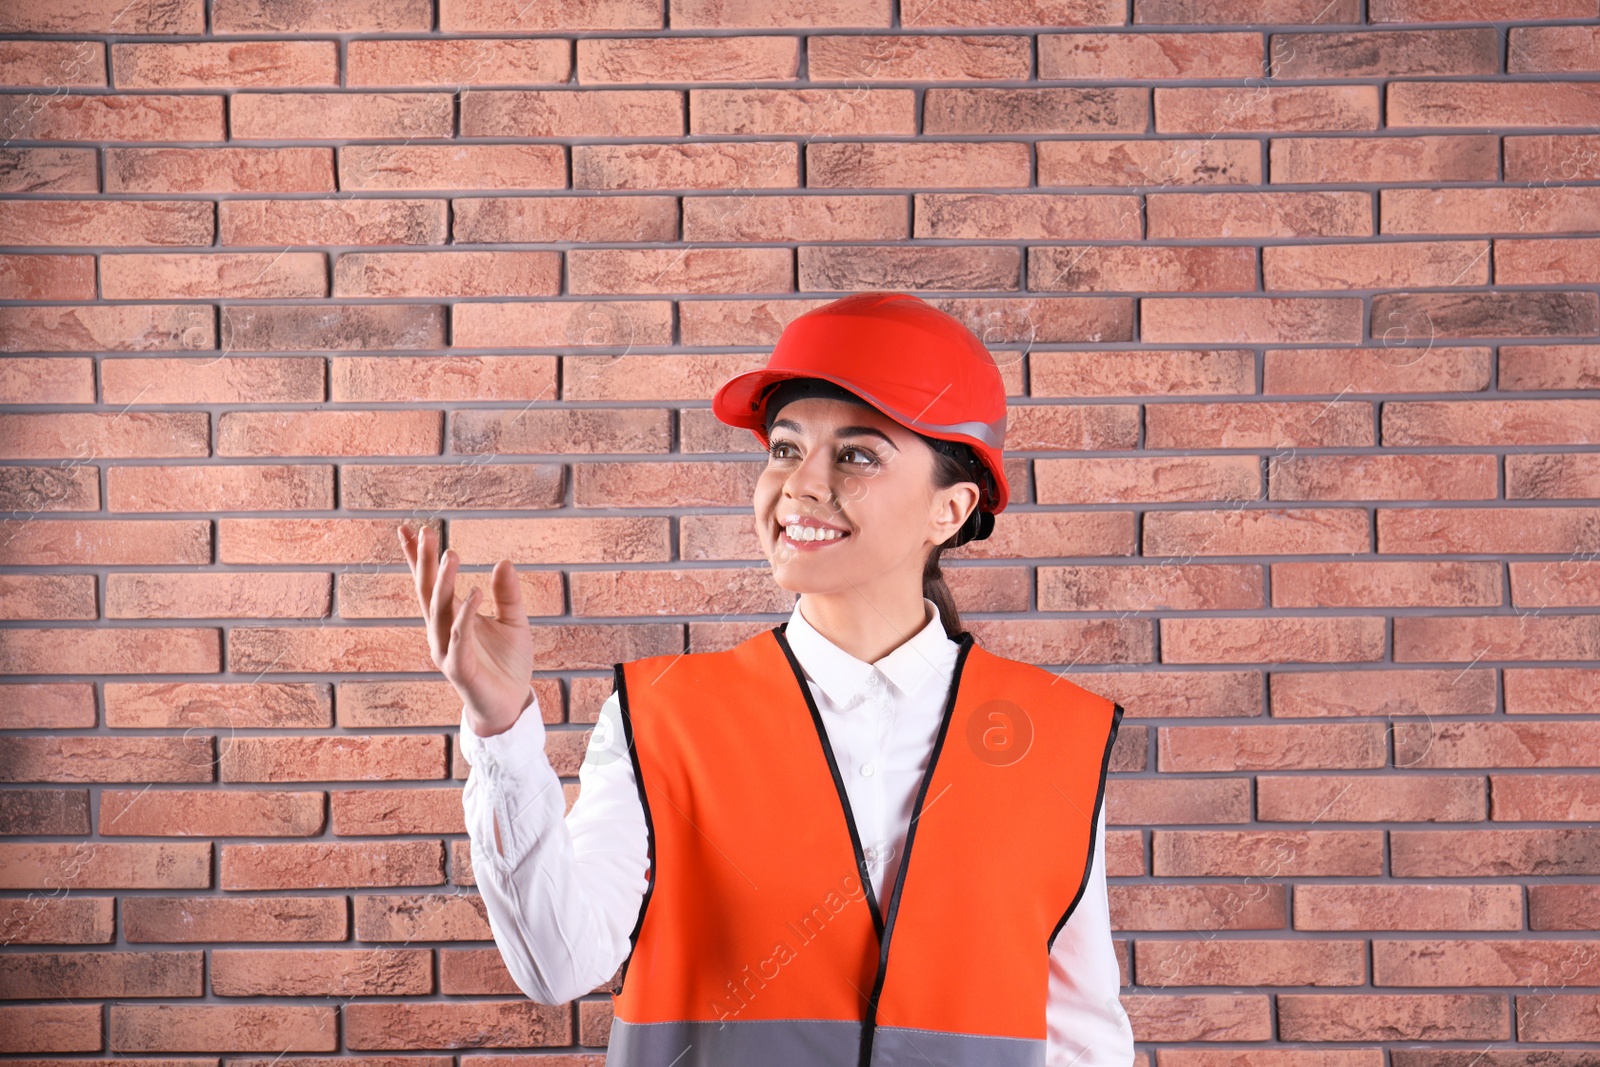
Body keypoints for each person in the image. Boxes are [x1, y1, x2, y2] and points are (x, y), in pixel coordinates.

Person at [401, 291, 1129, 1066]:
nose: (800, 484)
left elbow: (1085, 1036)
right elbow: (556, 962)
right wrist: (502, 727)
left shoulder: (1056, 738)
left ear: (950, 509)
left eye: (856, 454)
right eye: (784, 448)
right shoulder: (664, 719)